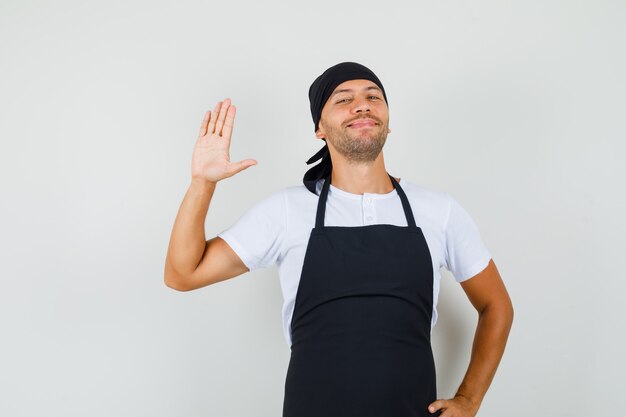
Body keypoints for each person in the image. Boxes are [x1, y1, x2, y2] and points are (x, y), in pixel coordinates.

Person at [164, 62, 514, 417]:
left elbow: (496, 306)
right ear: (319, 128)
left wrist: (469, 400)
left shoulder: (439, 210)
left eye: (373, 97)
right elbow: (183, 274)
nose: (362, 105)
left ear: (387, 121)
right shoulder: (287, 209)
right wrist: (202, 184)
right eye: (344, 99)